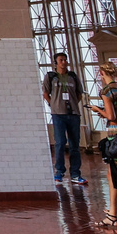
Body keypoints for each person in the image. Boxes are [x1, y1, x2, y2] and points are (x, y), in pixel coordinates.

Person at [90, 63, 117, 228]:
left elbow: (111, 115)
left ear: (102, 73)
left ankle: (114, 214)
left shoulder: (107, 91)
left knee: (114, 173)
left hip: (116, 134)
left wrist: (98, 110)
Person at [44, 52, 86, 185]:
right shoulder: (51, 76)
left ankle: (75, 173)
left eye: (65, 60)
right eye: (61, 60)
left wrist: (73, 103)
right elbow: (45, 93)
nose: (64, 62)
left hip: (73, 114)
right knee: (60, 142)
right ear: (56, 63)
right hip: (58, 115)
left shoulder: (72, 76)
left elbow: (80, 93)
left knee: (75, 144)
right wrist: (53, 104)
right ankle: (59, 171)